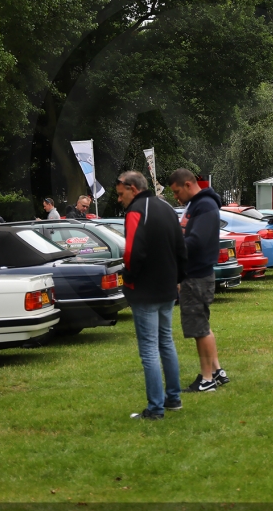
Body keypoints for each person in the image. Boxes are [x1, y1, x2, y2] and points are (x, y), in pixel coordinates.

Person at [117, 170, 185, 420]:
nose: (119, 198)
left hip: (145, 289)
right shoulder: (166, 207)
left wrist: (128, 276)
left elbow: (133, 251)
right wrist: (178, 278)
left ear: (132, 188)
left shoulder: (136, 211)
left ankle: (156, 407)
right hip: (167, 287)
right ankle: (174, 398)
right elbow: (181, 246)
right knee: (166, 342)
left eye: (120, 193)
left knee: (149, 349)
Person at [169, 168, 229, 393]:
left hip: (196, 275)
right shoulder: (198, 204)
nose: (176, 197)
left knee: (199, 328)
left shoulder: (204, 205)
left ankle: (206, 380)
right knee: (203, 324)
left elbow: (196, 241)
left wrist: (171, 249)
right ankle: (216, 371)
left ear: (188, 185)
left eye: (176, 192)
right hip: (195, 273)